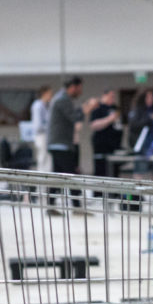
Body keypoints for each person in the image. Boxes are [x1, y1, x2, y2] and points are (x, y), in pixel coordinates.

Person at [46, 76, 98, 213]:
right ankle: (76, 207)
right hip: (60, 144)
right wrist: (88, 107)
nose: (80, 92)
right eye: (80, 88)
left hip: (59, 143)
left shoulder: (62, 98)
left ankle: (50, 206)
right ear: (73, 87)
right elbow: (75, 117)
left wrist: (84, 108)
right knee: (72, 175)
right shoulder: (63, 99)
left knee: (57, 176)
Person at [128, 88, 153, 178]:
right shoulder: (137, 111)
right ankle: (139, 191)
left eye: (152, 97)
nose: (151, 99)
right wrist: (149, 119)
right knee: (141, 170)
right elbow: (134, 126)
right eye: (149, 97)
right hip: (143, 146)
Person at [90, 89, 122, 178]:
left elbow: (119, 126)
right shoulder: (98, 108)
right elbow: (94, 125)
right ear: (105, 95)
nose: (112, 99)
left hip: (114, 145)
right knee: (101, 171)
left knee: (114, 172)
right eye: (111, 96)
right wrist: (109, 119)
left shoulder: (115, 108)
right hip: (101, 145)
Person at [29, 85, 53, 172]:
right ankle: (41, 184)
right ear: (44, 93)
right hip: (41, 135)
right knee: (42, 159)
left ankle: (47, 181)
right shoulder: (38, 106)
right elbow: (38, 125)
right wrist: (49, 127)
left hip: (45, 135)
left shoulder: (46, 106)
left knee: (47, 159)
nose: (51, 96)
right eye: (50, 94)